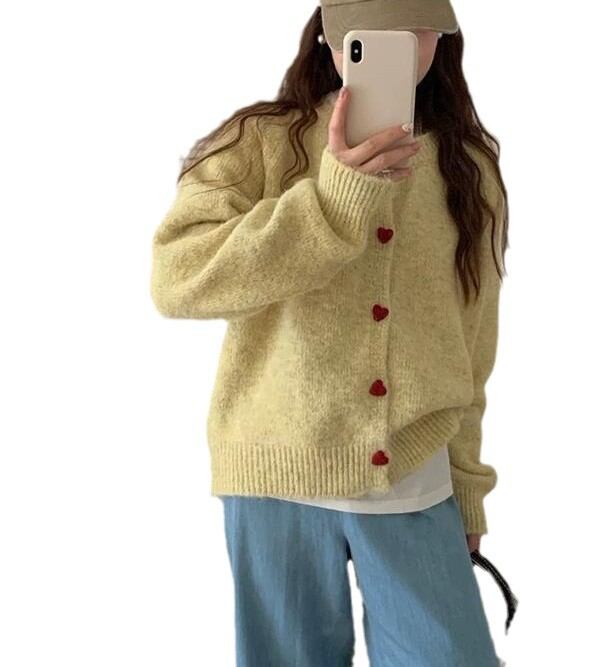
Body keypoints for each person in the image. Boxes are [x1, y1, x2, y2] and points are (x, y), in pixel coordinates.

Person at [150, 1, 511, 665]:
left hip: (413, 476)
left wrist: (467, 488)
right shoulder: (259, 141)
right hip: (274, 480)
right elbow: (178, 279)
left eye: (413, 25)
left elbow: (472, 342)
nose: (397, 39)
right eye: (372, 29)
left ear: (443, 32)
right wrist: (332, 199)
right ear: (330, 33)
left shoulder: (469, 166)